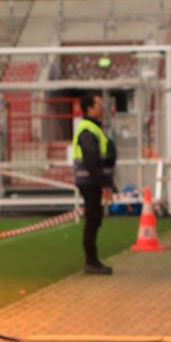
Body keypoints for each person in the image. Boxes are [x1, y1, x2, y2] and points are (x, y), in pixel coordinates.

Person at [72, 93, 116, 275]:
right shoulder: (88, 130)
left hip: (93, 181)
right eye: (99, 104)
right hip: (90, 182)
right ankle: (91, 262)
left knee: (95, 220)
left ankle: (93, 261)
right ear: (90, 108)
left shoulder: (94, 128)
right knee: (92, 221)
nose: (102, 107)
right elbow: (92, 161)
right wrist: (104, 185)